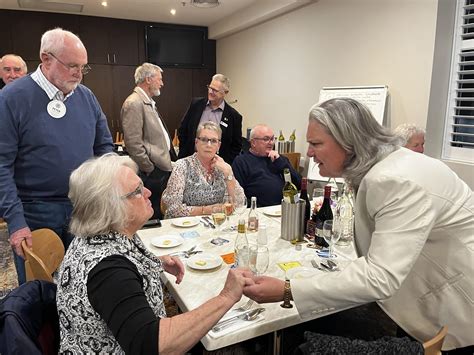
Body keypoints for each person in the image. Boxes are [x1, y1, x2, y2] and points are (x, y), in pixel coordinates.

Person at [243, 98, 473, 351]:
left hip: (455, 309)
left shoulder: (393, 179)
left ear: (349, 141)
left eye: (316, 143)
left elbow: (379, 277)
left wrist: (288, 289)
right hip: (420, 298)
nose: (308, 152)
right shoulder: (383, 167)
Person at [56, 153, 249, 354]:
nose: (148, 192)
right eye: (137, 191)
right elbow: (152, 345)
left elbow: (122, 266)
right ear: (111, 208)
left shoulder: (99, 236)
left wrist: (154, 262)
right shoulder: (109, 271)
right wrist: (227, 296)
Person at [0, 28, 113, 285]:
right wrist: (15, 221)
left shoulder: (86, 97)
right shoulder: (11, 99)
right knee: (39, 290)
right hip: (35, 211)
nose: (78, 73)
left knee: (84, 284)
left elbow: (104, 147)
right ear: (46, 59)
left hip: (82, 208)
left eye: (83, 66)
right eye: (72, 65)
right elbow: (1, 165)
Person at [120, 63, 176, 220]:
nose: (162, 83)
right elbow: (133, 143)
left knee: (159, 212)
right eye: (160, 79)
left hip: (160, 168)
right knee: (152, 216)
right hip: (152, 172)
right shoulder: (134, 103)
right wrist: (149, 168)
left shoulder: (147, 102)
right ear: (148, 79)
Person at [163, 121, 245, 218]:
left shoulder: (222, 167)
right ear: (196, 142)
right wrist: (209, 210)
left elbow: (240, 204)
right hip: (186, 226)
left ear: (218, 146)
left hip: (215, 224)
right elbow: (173, 209)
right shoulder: (182, 166)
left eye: (214, 141)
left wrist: (229, 173)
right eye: (204, 140)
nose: (209, 145)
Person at [178, 74, 242, 164]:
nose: (211, 92)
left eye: (215, 90)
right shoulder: (196, 105)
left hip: (216, 166)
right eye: (210, 88)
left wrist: (224, 163)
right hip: (190, 160)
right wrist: (185, 150)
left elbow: (236, 146)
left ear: (225, 92)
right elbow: (182, 130)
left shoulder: (234, 117)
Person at [232, 124, 301, 207]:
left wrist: (281, 163)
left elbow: (299, 184)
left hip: (285, 207)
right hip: (259, 211)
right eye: (266, 139)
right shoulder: (241, 161)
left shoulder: (280, 159)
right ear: (253, 142)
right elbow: (238, 196)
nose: (271, 143)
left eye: (272, 139)